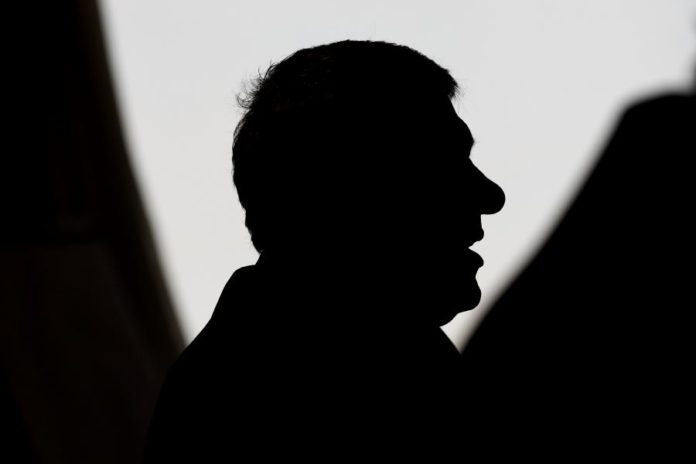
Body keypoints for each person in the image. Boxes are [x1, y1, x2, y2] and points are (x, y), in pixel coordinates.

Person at [143, 40, 505, 461]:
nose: (491, 196)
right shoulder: (366, 387)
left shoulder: (400, 365)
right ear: (345, 189)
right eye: (441, 163)